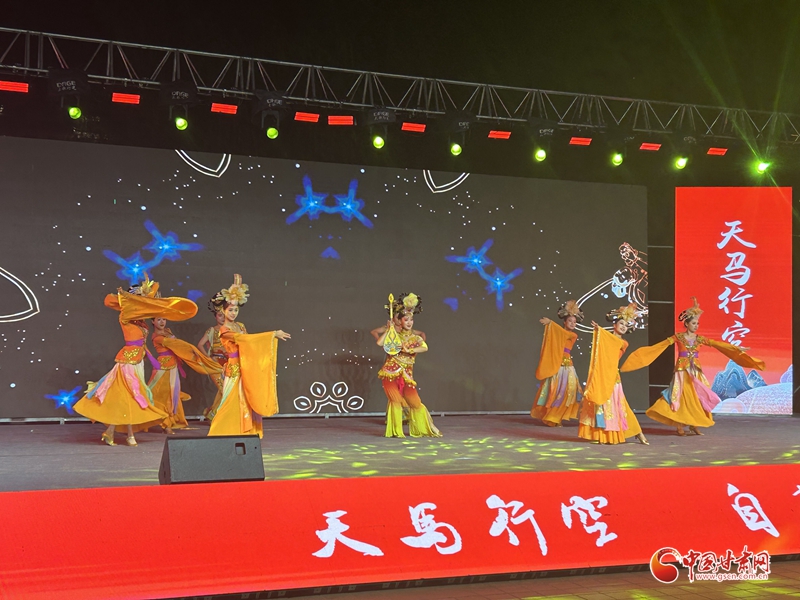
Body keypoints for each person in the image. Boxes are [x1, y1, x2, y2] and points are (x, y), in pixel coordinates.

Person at [73, 275, 197, 446]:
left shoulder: (141, 321)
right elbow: (128, 308)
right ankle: (128, 434)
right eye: (139, 299)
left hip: (138, 361)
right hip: (127, 362)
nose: (141, 302)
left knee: (130, 397)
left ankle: (111, 432)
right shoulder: (126, 315)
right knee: (131, 395)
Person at [621, 297, 765, 436]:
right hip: (682, 372)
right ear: (687, 324)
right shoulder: (679, 337)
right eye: (694, 323)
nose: (696, 326)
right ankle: (679, 425)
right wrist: (643, 355)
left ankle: (694, 425)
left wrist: (735, 348)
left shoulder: (699, 339)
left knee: (697, 397)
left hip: (695, 371)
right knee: (681, 396)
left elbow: (718, 344)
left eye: (697, 323)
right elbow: (660, 346)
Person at [207, 275, 291, 438]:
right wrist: (272, 334)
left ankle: (247, 432)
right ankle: (219, 432)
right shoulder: (224, 330)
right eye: (230, 310)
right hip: (234, 370)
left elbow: (250, 344)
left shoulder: (240, 326)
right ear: (223, 310)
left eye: (236, 310)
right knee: (231, 403)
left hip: (246, 368)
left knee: (248, 400)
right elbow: (245, 340)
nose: (233, 313)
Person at [578, 303, 649, 445]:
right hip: (604, 375)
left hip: (613, 378)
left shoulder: (623, 343)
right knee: (601, 405)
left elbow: (613, 343)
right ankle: (601, 435)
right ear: (614, 324)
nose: (623, 326)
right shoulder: (606, 338)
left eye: (626, 325)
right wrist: (599, 332)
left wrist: (600, 332)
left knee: (618, 406)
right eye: (621, 323)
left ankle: (637, 431)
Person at [373, 293, 441, 438]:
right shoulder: (394, 336)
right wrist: (389, 329)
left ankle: (425, 428)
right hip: (390, 374)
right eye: (406, 319)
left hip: (407, 376)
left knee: (415, 403)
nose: (409, 322)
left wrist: (409, 350)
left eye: (411, 320)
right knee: (396, 401)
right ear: (400, 321)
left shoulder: (415, 338)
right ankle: (396, 431)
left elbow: (424, 347)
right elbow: (379, 343)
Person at [147, 317, 225, 434]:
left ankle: (170, 422)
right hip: (162, 369)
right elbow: (177, 345)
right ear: (153, 321)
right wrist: (192, 349)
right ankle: (165, 424)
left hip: (173, 367)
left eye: (164, 319)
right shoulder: (157, 337)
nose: (162, 322)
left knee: (172, 395)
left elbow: (178, 346)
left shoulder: (167, 332)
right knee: (161, 394)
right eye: (158, 320)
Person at [531, 300, 584, 426]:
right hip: (557, 365)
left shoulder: (573, 335)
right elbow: (557, 335)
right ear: (564, 322)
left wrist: (551, 323)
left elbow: (562, 333)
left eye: (574, 322)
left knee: (569, 391)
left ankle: (557, 416)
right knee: (554, 391)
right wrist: (551, 325)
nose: (572, 323)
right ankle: (551, 416)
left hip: (568, 366)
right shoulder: (558, 332)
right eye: (570, 321)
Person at [197, 301, 229, 420]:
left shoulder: (231, 329)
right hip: (215, 364)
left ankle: (212, 412)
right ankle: (213, 414)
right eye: (220, 315)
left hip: (228, 364)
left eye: (224, 315)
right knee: (223, 389)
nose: (222, 318)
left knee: (227, 390)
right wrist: (208, 358)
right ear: (215, 316)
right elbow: (200, 345)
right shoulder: (212, 330)